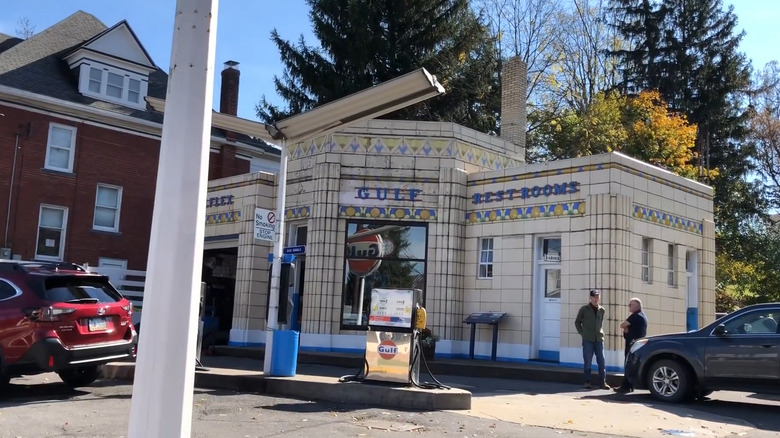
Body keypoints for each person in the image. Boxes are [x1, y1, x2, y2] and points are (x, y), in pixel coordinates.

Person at [575, 289, 610, 390]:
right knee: (588, 361)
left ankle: (602, 382)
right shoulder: (584, 309)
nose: (596, 299)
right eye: (594, 297)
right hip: (588, 339)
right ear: (590, 298)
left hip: (599, 338)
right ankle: (587, 381)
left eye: (598, 297)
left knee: (602, 361)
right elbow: (577, 322)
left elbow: (600, 323)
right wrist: (582, 333)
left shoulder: (602, 310)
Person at [614, 297, 648, 394]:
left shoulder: (635, 316)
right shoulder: (642, 316)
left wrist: (625, 327)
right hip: (636, 344)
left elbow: (622, 324)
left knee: (628, 364)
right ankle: (629, 385)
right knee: (630, 365)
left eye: (631, 305)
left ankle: (626, 386)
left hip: (632, 344)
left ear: (637, 306)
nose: (629, 306)